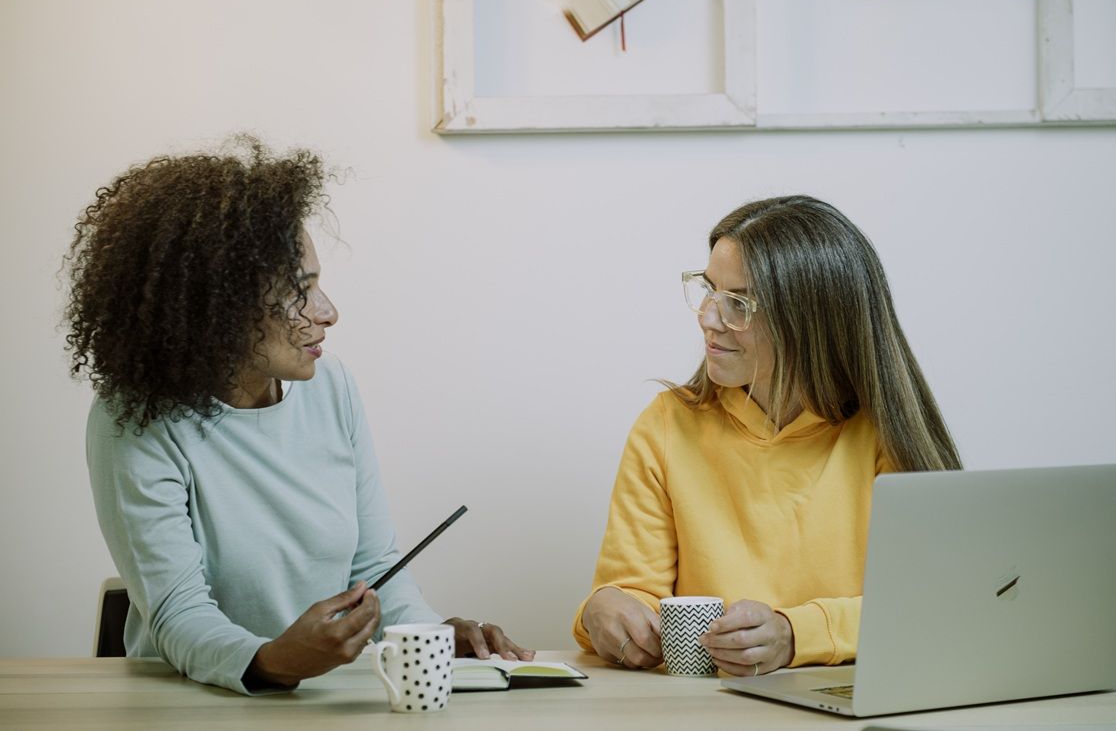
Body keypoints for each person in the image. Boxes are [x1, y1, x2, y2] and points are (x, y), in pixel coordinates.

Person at [64, 138, 533, 694]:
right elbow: (177, 614)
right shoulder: (135, 420)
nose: (329, 312)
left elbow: (375, 563)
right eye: (300, 292)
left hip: (330, 699)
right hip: (189, 704)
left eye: (318, 283)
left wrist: (428, 637)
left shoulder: (331, 386)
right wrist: (272, 661)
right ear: (216, 307)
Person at [572, 195, 962, 677]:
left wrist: (794, 635)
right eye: (709, 290)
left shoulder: (883, 435)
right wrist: (605, 609)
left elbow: (934, 606)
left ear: (812, 322)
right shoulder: (667, 425)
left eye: (738, 303)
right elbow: (636, 592)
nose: (708, 318)